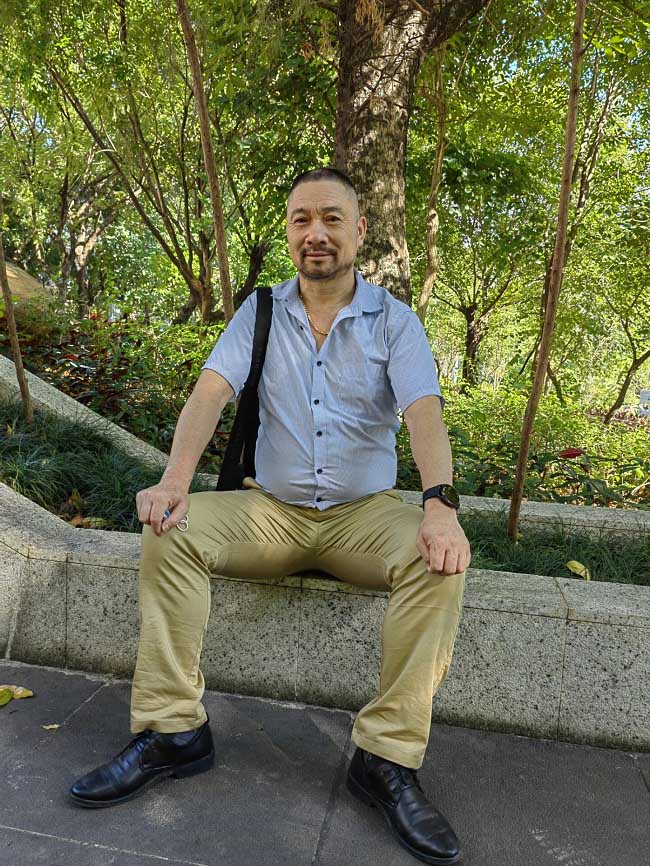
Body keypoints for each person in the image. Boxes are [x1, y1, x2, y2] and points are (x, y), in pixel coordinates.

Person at [69, 167, 471, 866]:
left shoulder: (394, 321)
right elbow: (210, 393)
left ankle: (386, 757)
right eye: (301, 219)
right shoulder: (260, 312)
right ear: (288, 231)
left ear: (359, 231)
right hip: (270, 512)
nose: (316, 233)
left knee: (439, 562)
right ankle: (172, 732)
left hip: (363, 518)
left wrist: (439, 506)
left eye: (332, 218)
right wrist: (173, 482)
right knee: (169, 532)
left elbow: (424, 414)